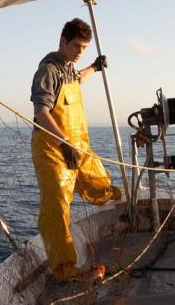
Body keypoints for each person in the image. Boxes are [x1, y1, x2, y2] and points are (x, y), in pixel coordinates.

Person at [30, 18, 121, 282]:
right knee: (57, 207)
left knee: (98, 181)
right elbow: (42, 112)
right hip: (52, 147)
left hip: (77, 145)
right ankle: (65, 269)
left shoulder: (69, 68)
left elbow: (77, 78)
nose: (80, 51)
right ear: (63, 41)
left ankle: (119, 201)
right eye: (77, 46)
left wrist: (94, 67)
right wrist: (64, 143)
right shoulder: (48, 70)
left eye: (84, 48)